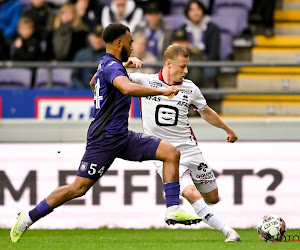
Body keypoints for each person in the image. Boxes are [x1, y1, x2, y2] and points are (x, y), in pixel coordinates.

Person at [10, 23, 201, 243]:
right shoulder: (112, 66)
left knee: (171, 153)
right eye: (129, 43)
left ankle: (172, 209)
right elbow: (128, 88)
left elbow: (94, 83)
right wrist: (162, 90)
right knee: (78, 188)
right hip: (104, 139)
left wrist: (121, 69)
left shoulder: (107, 64)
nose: (131, 47)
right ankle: (26, 218)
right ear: (119, 42)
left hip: (122, 135)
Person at [129, 44, 242, 242]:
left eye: (187, 67)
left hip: (190, 150)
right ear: (168, 64)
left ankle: (202, 205)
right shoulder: (145, 81)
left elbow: (206, 111)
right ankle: (228, 232)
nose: (186, 71)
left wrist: (227, 129)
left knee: (213, 198)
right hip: (164, 153)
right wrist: (124, 63)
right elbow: (106, 74)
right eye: (182, 66)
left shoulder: (190, 88)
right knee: (189, 191)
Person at [180, 0, 220, 86]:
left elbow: (214, 53)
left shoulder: (212, 28)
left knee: (197, 74)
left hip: (206, 61)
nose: (195, 13)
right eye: (192, 10)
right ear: (188, 13)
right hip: (188, 61)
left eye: (198, 9)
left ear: (203, 11)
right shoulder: (183, 28)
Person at [72, 24, 106, 89]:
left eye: (101, 37)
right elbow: (75, 76)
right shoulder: (81, 55)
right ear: (90, 37)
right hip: (82, 94)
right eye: (96, 37)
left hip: (103, 94)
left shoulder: (110, 55)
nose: (98, 40)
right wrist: (82, 91)